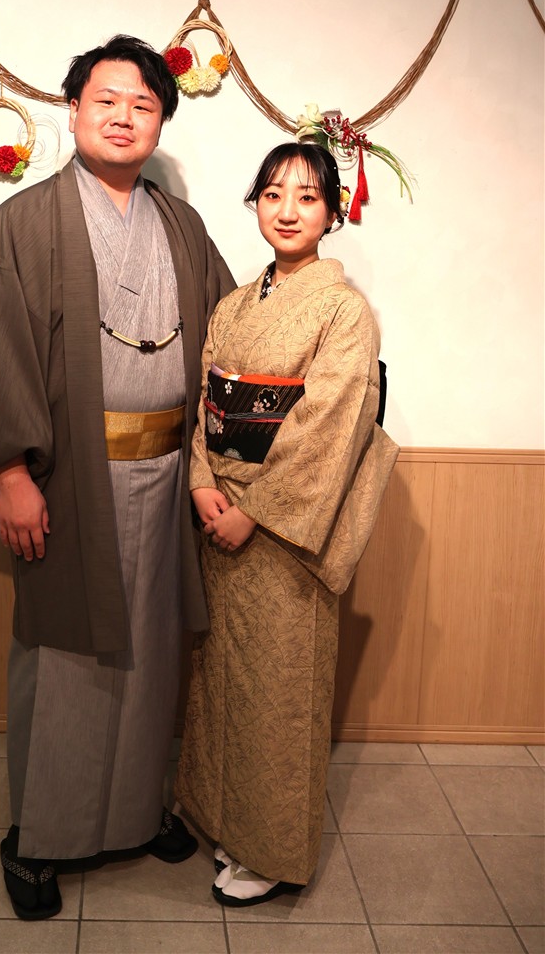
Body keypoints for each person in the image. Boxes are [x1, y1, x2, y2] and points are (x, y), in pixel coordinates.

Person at [0, 35, 235, 921]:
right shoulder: (24, 222)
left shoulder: (183, 227)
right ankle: (40, 838)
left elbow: (228, 336)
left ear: (160, 121)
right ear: (73, 111)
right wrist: (10, 474)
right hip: (68, 479)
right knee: (63, 657)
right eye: (107, 100)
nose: (124, 117)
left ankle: (136, 813)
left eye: (144, 105)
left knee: (151, 651)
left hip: (169, 475)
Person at [174, 141, 399, 906]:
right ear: (256, 206)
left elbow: (327, 425)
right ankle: (224, 821)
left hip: (283, 531)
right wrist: (203, 481)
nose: (288, 210)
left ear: (332, 213)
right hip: (222, 514)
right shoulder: (234, 306)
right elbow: (207, 405)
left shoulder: (343, 311)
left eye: (307, 196)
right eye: (273, 194)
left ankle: (271, 850)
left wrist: (254, 510)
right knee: (225, 681)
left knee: (279, 690)